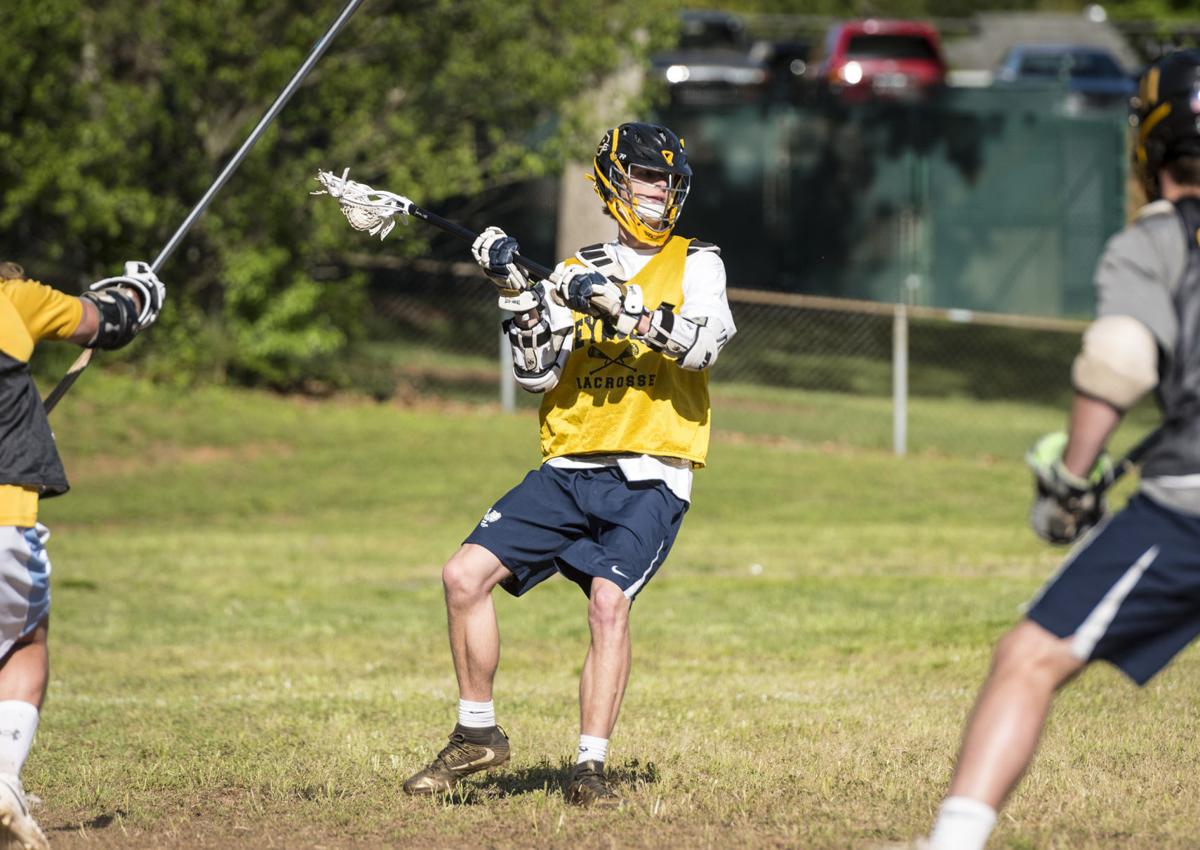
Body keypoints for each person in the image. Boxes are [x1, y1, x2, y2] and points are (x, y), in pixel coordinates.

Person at [904, 50, 1200, 850]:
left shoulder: (1158, 240)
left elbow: (1119, 359)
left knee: (1029, 658)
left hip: (1188, 508)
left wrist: (1072, 480)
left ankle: (954, 842)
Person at [401, 122, 735, 806]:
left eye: (669, 180)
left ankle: (589, 770)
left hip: (651, 471)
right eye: (647, 177)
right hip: (569, 465)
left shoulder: (698, 262)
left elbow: (702, 348)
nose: (660, 190)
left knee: (609, 603)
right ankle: (476, 732)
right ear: (613, 184)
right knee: (463, 575)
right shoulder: (573, 270)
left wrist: (622, 307)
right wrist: (515, 292)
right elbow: (535, 374)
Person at [0, 260, 164, 849]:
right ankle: (3, 778)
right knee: (24, 640)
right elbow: (106, 321)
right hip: (5, 517)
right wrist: (135, 293)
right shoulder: (13, 298)